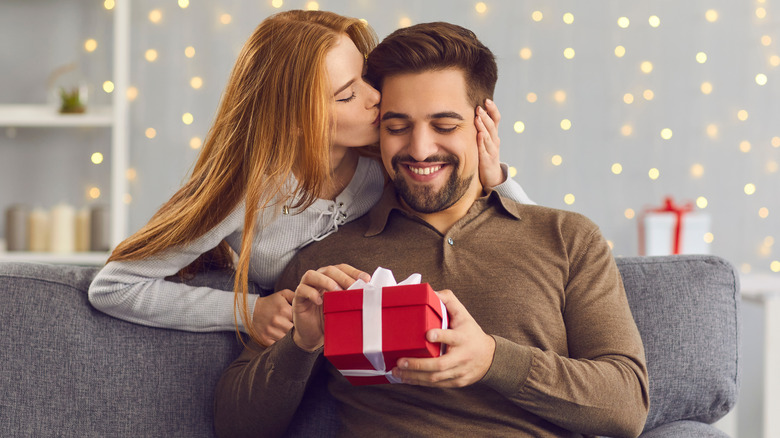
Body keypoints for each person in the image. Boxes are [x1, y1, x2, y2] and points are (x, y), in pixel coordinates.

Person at [214, 21, 649, 438]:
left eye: (444, 126)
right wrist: (301, 343)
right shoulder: (327, 261)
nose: (419, 149)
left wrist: (493, 360)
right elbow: (235, 426)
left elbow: (627, 405)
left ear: (484, 125)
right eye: (397, 127)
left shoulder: (567, 238)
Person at [88, 10, 533, 347]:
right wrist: (246, 311)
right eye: (347, 94)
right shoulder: (246, 192)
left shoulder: (388, 161)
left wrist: (495, 178)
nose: (376, 97)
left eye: (365, 77)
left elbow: (539, 249)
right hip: (299, 352)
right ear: (296, 119)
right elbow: (114, 287)